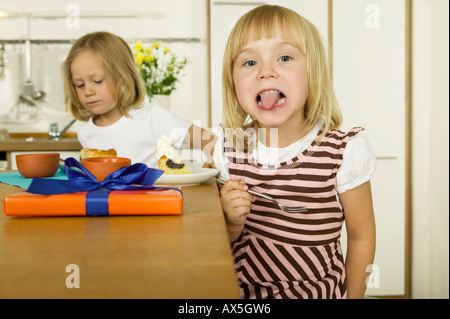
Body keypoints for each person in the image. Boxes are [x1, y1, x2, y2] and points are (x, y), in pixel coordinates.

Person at [213, 5, 376, 299]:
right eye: (249, 63)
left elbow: (362, 237)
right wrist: (230, 222)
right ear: (233, 83)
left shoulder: (344, 153)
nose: (266, 72)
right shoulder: (228, 151)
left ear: (312, 73)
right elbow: (220, 243)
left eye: (285, 57)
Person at [62, 31, 215, 168]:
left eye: (97, 80)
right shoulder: (85, 132)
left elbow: (209, 139)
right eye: (79, 85)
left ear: (122, 77)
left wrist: (212, 161)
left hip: (153, 199)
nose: (88, 91)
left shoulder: (152, 118)